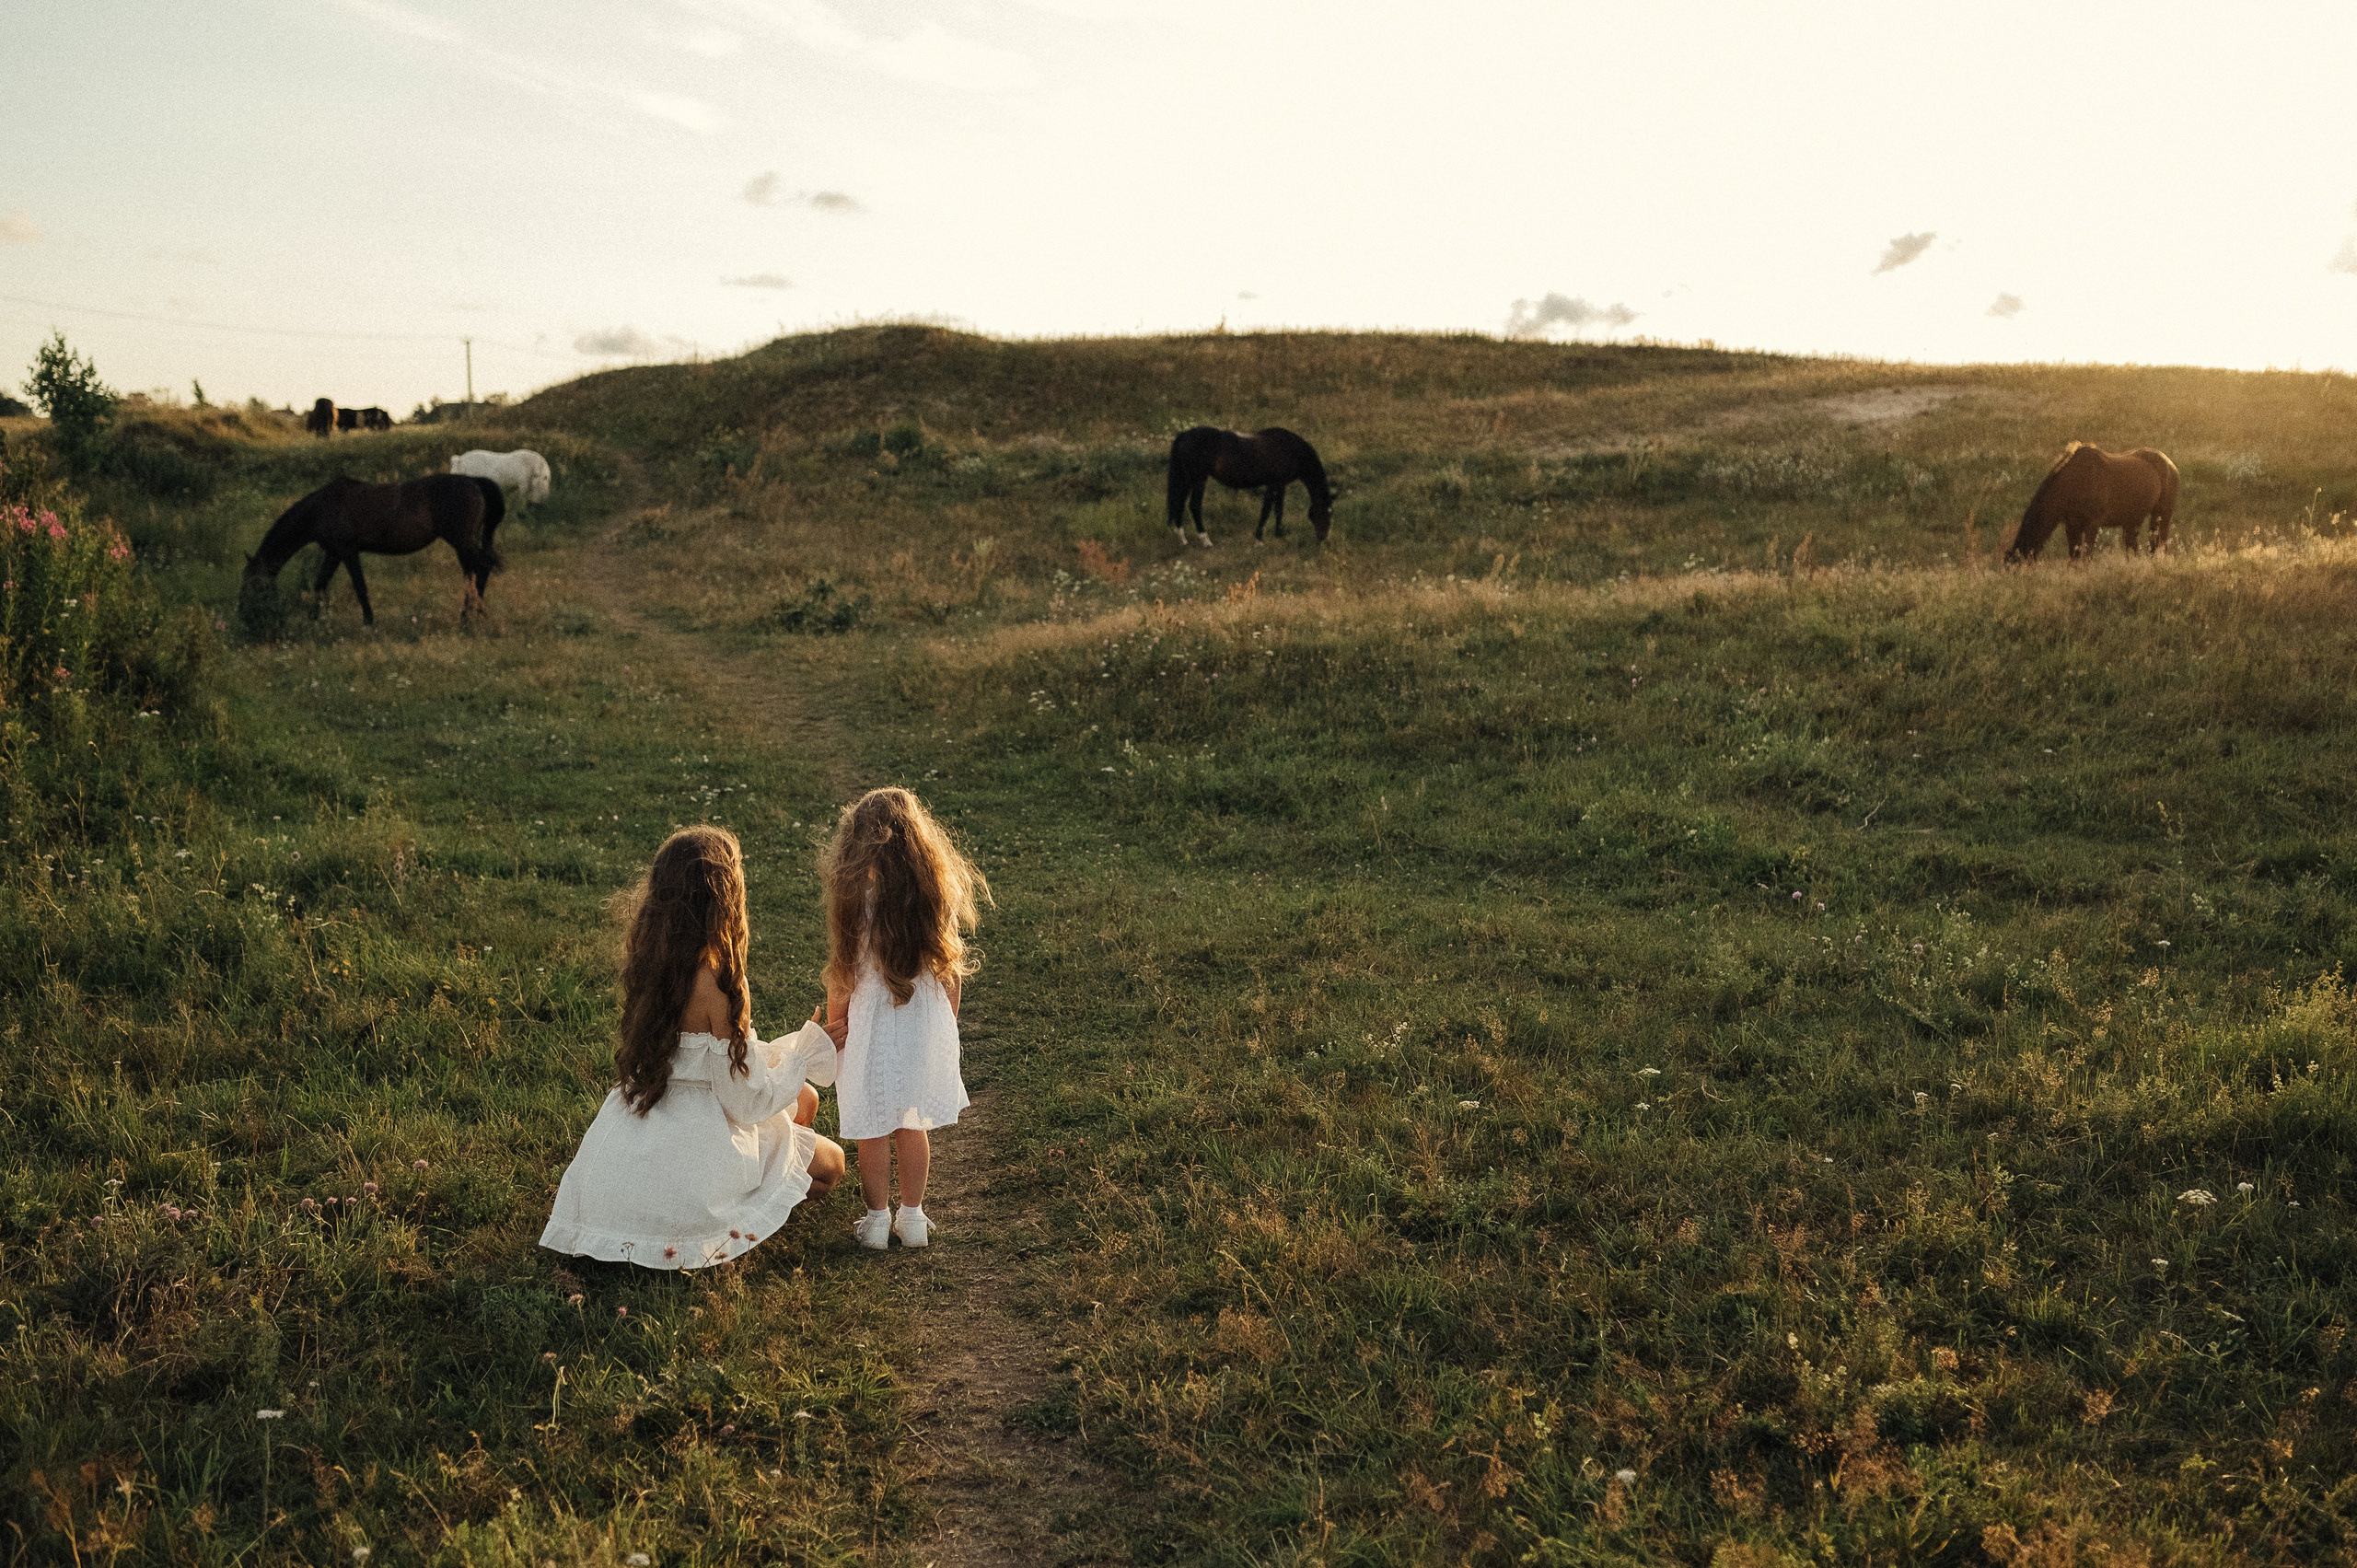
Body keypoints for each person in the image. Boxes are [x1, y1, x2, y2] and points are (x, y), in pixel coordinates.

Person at [540, 825, 846, 1270]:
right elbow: (743, 1097)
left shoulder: (648, 964)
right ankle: (742, 1213)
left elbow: (707, 1061)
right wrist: (803, 1056)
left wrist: (793, 1059)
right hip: (708, 1123)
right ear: (724, 900)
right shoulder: (720, 983)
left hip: (651, 1108)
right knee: (832, 1164)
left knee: (806, 1099)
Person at [822, 787, 990, 1249]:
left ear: (858, 848)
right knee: (910, 1122)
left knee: (871, 1126)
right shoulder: (935, 896)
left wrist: (837, 1026)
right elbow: (950, 974)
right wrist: (946, 1024)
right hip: (919, 1023)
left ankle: (877, 1220)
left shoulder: (857, 904)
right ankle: (912, 1217)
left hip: (870, 1029)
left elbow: (845, 977)